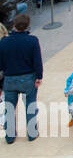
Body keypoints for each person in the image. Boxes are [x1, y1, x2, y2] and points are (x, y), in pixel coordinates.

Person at [0, 13, 42, 143]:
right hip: (28, 78)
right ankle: (31, 133)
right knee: (30, 105)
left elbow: (1, 63)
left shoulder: (4, 42)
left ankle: (10, 136)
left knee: (10, 108)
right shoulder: (32, 40)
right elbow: (37, 61)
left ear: (14, 25)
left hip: (9, 79)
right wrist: (39, 76)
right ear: (27, 26)